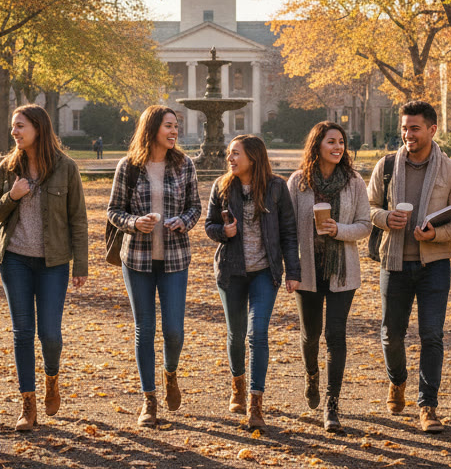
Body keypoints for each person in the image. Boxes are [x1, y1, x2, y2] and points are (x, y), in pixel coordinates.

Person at [367, 101, 451, 433]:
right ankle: (397, 381)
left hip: (434, 265)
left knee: (432, 336)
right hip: (393, 263)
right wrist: (385, 217)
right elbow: (366, 207)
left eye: (415, 128)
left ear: (432, 130)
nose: (408, 134)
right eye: (404, 128)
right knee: (390, 335)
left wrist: (436, 233)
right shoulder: (385, 166)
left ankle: (428, 406)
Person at [0, 105, 89, 432]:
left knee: (50, 334)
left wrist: (80, 264)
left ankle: (51, 379)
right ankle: (27, 404)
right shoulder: (7, 168)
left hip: (53, 263)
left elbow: (79, 219)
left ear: (38, 128)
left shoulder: (65, 168)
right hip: (14, 259)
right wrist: (13, 196)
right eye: (13, 127)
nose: (14, 132)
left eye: (20, 126)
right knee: (23, 332)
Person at [106, 105, 201, 428]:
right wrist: (135, 223)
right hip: (137, 260)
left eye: (176, 126)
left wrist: (182, 222)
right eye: (169, 126)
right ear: (152, 129)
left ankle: (170, 374)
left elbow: (195, 207)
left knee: (173, 331)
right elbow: (114, 211)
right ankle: (149, 400)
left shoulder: (184, 165)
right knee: (144, 330)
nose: (174, 132)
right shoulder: (129, 167)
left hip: (175, 259)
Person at [203, 135, 299, 429]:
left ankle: (256, 403)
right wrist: (224, 233)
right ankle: (238, 386)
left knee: (258, 334)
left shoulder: (276, 188)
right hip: (231, 272)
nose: (230, 159)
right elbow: (209, 226)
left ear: (253, 158)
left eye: (235, 154)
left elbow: (289, 232)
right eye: (229, 154)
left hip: (264, 272)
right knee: (236, 333)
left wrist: (293, 271)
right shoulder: (222, 186)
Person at [287, 122, 371, 432]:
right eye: (331, 141)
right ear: (317, 145)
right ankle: (311, 377)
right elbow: (288, 229)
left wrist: (340, 230)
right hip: (308, 272)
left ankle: (332, 405)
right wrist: (290, 268)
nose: (338, 147)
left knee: (335, 336)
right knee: (311, 335)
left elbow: (365, 224)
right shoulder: (298, 182)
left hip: (342, 272)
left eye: (341, 142)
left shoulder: (354, 182)